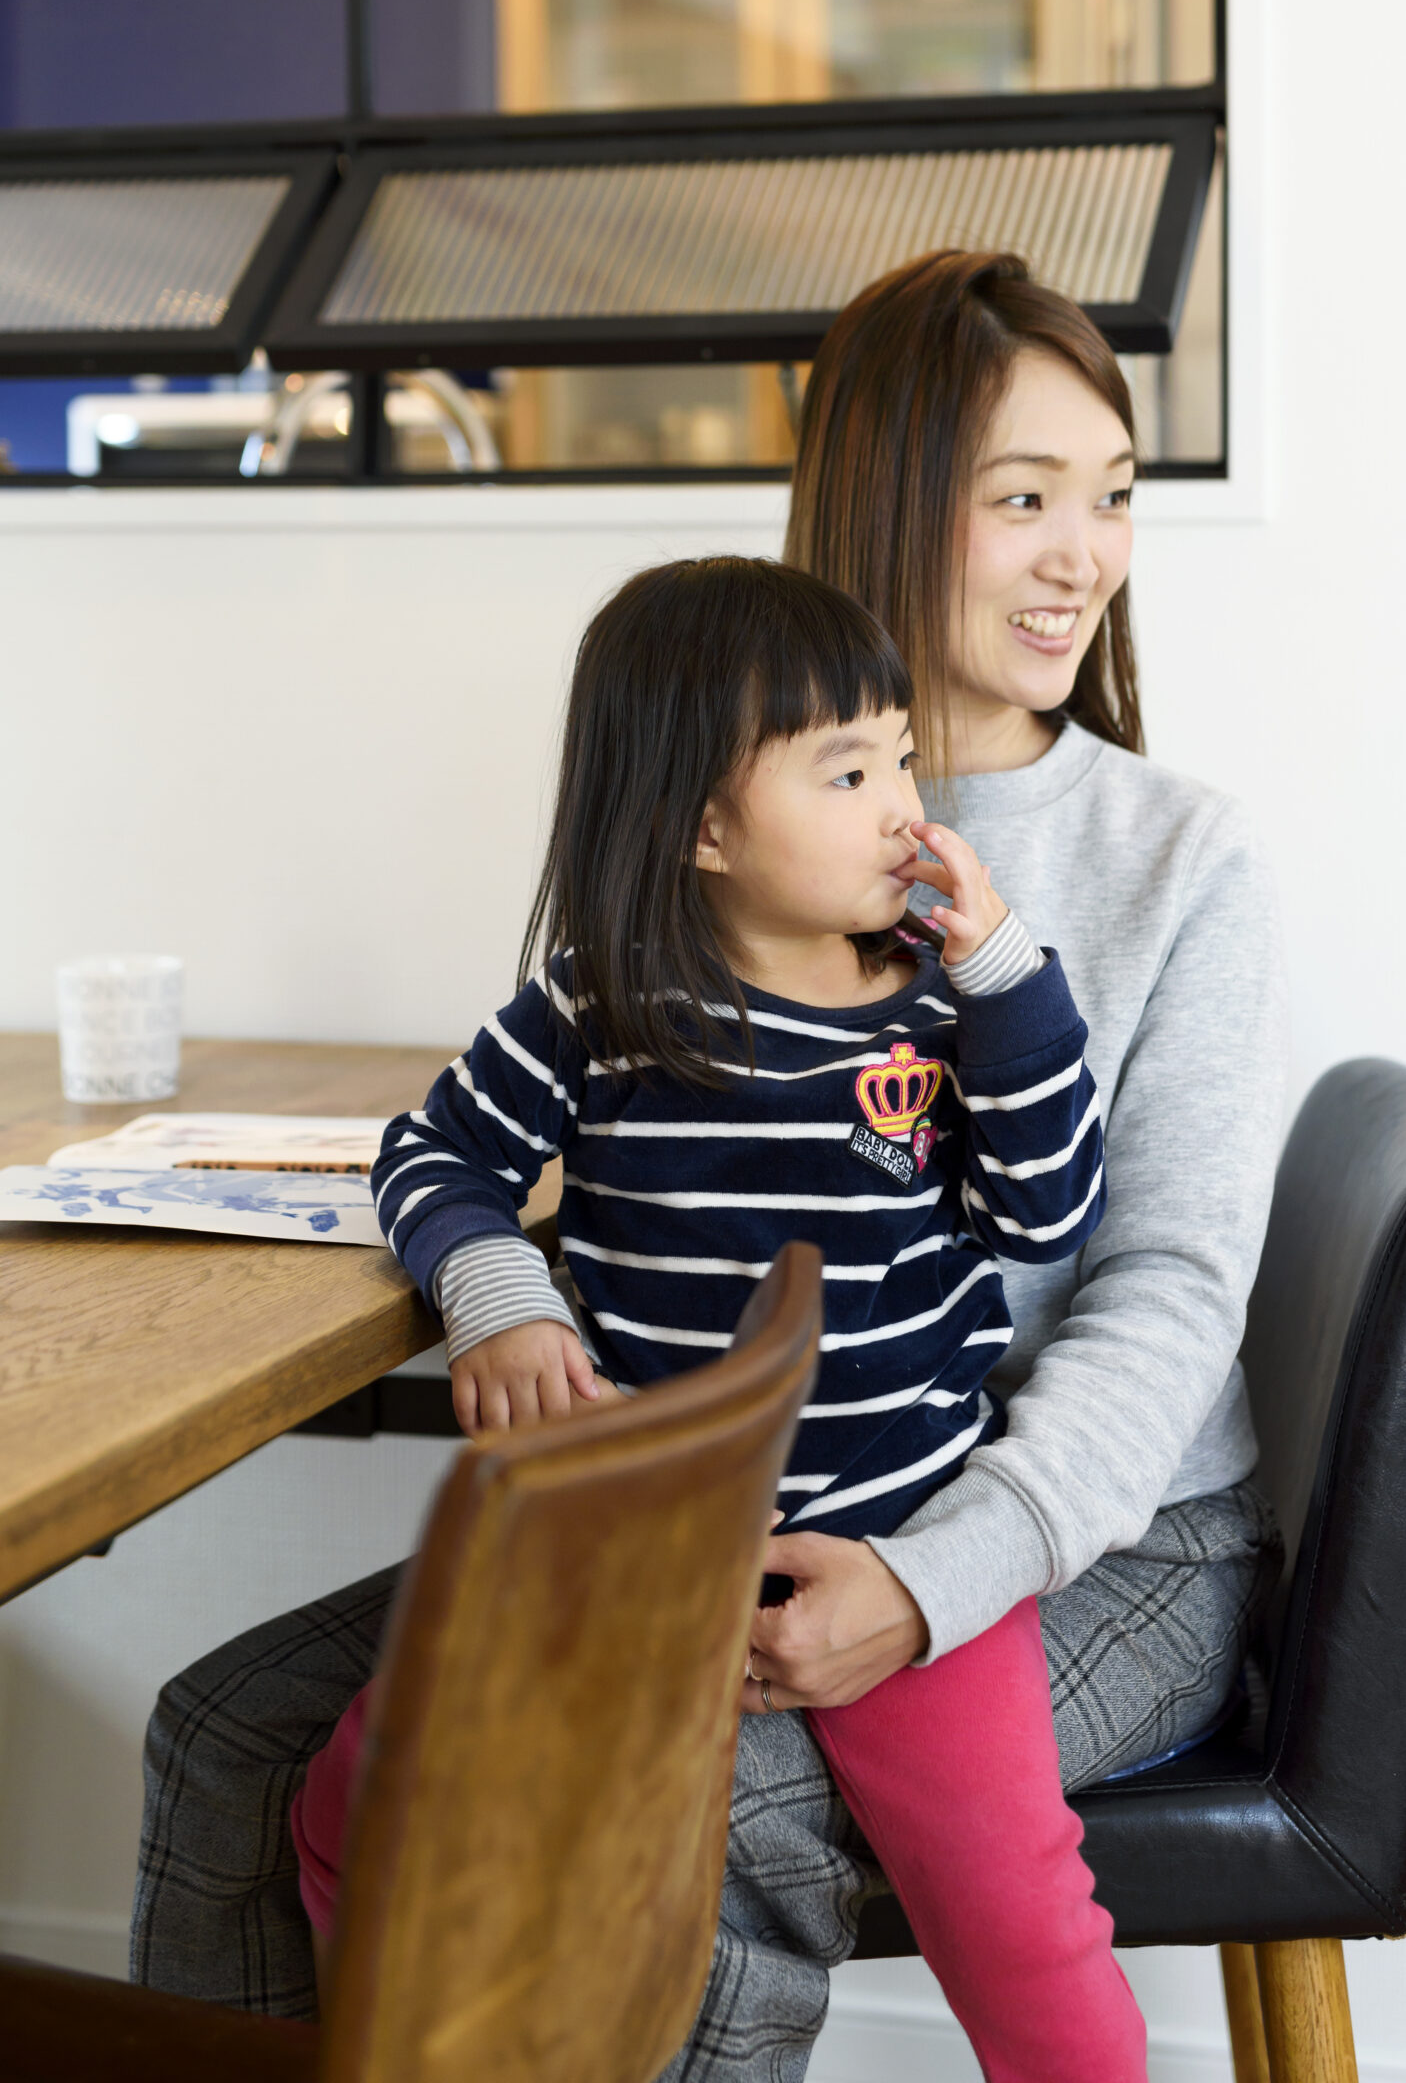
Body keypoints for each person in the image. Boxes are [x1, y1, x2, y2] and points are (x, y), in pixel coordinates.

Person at [133, 250, 1287, 2083]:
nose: (1087, 553)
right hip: (702, 1518)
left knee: (692, 1808)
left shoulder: (1169, 862)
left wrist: (932, 1581)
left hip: (1076, 1532)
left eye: (1113, 498)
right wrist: (501, 1283)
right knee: (232, 1732)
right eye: (1024, 500)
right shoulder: (708, 838)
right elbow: (536, 1135)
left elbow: (1155, 1287)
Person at [290, 554, 1144, 2079]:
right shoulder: (600, 1008)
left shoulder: (949, 1008)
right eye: (846, 770)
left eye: (897, 755)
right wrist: (497, 1301)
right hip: (639, 1555)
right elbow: (434, 1155)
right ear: (700, 825)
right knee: (365, 1802)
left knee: (1020, 1929)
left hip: (898, 1545)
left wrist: (1009, 976)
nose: (906, 805)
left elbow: (1050, 1213)